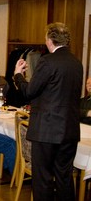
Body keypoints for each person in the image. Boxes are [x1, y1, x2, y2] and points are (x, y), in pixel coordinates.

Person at [14, 22, 83, 200]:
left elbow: (29, 92)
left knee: (42, 178)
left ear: (50, 40)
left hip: (47, 130)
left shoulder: (47, 61)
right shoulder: (77, 63)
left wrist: (18, 75)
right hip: (69, 130)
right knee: (64, 177)